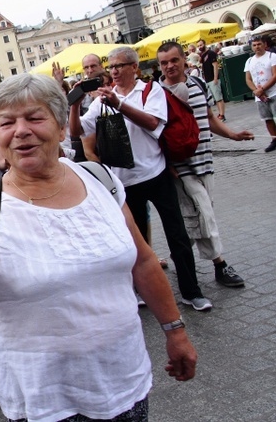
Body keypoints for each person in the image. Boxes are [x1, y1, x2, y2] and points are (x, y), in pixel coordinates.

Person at [0, 73, 197, 422]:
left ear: (60, 128)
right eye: (8, 122)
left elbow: (143, 262)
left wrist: (175, 330)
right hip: (43, 400)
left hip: (123, 380)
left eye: (35, 117)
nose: (21, 130)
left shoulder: (100, 179)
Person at [70, 46, 213, 311]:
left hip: (155, 173)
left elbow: (152, 123)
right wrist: (76, 103)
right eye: (110, 67)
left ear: (134, 67)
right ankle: (141, 290)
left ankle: (191, 291)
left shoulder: (150, 90)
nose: (113, 71)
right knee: (133, 242)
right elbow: (77, 131)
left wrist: (120, 104)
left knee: (177, 235)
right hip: (124, 182)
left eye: (119, 66)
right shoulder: (103, 99)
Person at [156, 42, 252, 287]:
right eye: (164, 62)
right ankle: (220, 265)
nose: (169, 66)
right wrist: (167, 165)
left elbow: (209, 118)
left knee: (194, 216)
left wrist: (232, 135)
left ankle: (181, 257)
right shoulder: (156, 93)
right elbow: (152, 134)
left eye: (173, 60)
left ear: (184, 60)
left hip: (205, 161)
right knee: (203, 215)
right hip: (180, 167)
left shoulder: (198, 84)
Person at [244, 35, 276, 152]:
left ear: (264, 45)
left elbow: (275, 75)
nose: (257, 47)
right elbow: (248, 79)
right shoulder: (249, 61)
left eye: (259, 44)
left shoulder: (272, 56)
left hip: (273, 92)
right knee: (267, 118)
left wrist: (262, 89)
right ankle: (274, 139)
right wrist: (256, 91)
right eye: (254, 45)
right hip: (260, 96)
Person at [198, 40, 226, 121]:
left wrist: (215, 78)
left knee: (218, 98)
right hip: (207, 79)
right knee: (215, 98)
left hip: (213, 79)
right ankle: (220, 113)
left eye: (201, 45)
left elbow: (215, 66)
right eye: (198, 46)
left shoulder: (211, 53)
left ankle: (222, 114)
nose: (200, 47)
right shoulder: (203, 56)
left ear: (204, 44)